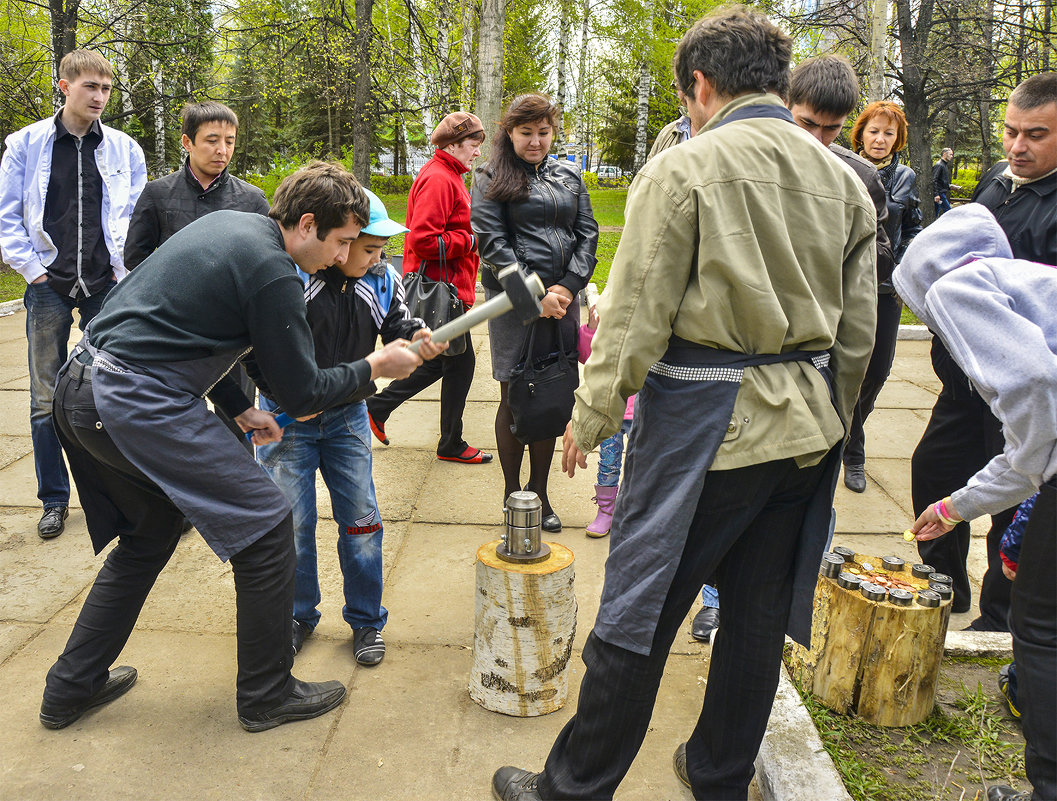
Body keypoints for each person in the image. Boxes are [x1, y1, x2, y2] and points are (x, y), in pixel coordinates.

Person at [491, 9, 877, 800]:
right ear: (777, 82)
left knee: (638, 613)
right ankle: (720, 779)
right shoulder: (845, 181)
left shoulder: (686, 167)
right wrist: (829, 423)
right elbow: (858, 334)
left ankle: (571, 786)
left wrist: (591, 414)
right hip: (802, 436)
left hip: (707, 434)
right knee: (755, 618)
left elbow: (633, 316)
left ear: (698, 86)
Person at [40, 162, 427, 733]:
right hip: (134, 399)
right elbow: (301, 396)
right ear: (307, 223)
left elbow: (189, 328)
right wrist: (375, 366)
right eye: (343, 242)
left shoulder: (236, 227)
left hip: (82, 390)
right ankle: (267, 693)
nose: (344, 256)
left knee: (148, 536)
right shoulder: (274, 271)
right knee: (268, 526)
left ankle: (69, 688)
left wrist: (241, 407)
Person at [899, 203, 1056, 801]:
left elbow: (1037, 401)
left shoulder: (959, 286)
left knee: (1040, 631)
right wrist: (955, 507)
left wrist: (1036, 466)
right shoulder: (1026, 284)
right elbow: (1028, 453)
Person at [255, 190, 443, 665]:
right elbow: (261, 347)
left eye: (383, 249)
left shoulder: (382, 278)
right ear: (344, 241)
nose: (378, 258)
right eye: (368, 248)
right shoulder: (297, 278)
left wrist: (414, 336)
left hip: (347, 418)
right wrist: (284, 398)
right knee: (291, 526)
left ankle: (365, 619)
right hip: (287, 420)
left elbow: (397, 325)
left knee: (362, 522)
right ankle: (297, 614)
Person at [911, 71, 1056, 627]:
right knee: (934, 470)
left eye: (1036, 135)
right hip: (966, 385)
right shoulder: (998, 179)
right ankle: (941, 591)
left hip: (1027, 389)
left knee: (1017, 505)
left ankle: (1001, 620)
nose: (1017, 147)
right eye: (1011, 131)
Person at [0, 49, 146, 540]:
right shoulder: (25, 145)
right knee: (45, 397)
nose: (101, 97)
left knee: (113, 390)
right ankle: (54, 500)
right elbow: (8, 216)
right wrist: (34, 272)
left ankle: (123, 494)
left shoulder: (126, 149)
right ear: (65, 86)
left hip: (107, 284)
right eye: (91, 87)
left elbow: (134, 219)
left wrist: (127, 274)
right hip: (49, 286)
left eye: (107, 89)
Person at [471, 93, 599, 532]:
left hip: (562, 302)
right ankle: (512, 496)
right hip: (513, 304)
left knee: (550, 396)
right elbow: (493, 244)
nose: (536, 142)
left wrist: (567, 287)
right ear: (509, 132)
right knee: (514, 395)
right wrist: (534, 296)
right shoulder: (489, 176)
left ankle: (540, 494)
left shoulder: (568, 174)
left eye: (544, 132)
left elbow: (588, 235)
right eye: (527, 133)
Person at [124, 100, 269, 451]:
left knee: (237, 422)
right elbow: (135, 257)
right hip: (173, 333)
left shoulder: (252, 201)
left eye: (230, 141)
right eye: (212, 140)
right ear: (187, 142)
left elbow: (268, 263)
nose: (222, 150)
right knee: (175, 423)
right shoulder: (158, 194)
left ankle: (236, 500)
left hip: (230, 336)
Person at [366, 112, 492, 464]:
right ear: (452, 145)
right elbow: (422, 240)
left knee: (447, 362)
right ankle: (448, 441)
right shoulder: (440, 179)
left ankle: (379, 407)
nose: (477, 153)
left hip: (449, 288)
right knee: (456, 363)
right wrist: (470, 240)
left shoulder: (448, 175)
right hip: (441, 290)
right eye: (473, 145)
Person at [647, 90, 721, 644]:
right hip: (674, 353)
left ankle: (709, 602)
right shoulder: (670, 146)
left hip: (720, 362)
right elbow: (648, 255)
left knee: (716, 505)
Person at [842, 100, 922, 494]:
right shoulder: (844, 167)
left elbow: (912, 229)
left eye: (888, 133)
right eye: (874, 130)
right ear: (861, 132)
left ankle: (846, 434)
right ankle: (854, 453)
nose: (880, 139)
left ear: (898, 139)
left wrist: (904, 269)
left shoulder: (905, 177)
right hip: (849, 288)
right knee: (848, 372)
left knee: (877, 372)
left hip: (887, 290)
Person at [576, 295, 632, 539]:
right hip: (612, 410)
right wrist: (592, 329)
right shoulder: (608, 321)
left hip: (646, 408)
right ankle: (606, 511)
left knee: (643, 463)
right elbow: (586, 356)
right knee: (608, 463)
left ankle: (637, 512)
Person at [933, 147, 954, 216]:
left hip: (941, 193)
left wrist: (950, 186)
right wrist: (936, 194)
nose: (952, 156)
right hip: (940, 194)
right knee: (949, 212)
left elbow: (941, 181)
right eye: (950, 154)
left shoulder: (944, 165)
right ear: (944, 154)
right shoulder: (939, 165)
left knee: (936, 212)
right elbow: (934, 180)